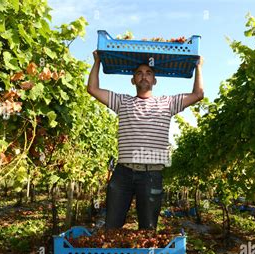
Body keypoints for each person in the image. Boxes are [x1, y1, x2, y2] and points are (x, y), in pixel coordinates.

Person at [87, 50, 204, 230]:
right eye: (139, 73)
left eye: (148, 73)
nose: (144, 76)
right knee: (112, 225)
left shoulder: (167, 103)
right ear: (133, 80)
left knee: (148, 228)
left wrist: (199, 67)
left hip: (151, 175)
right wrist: (97, 61)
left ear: (154, 81)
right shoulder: (122, 101)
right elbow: (92, 89)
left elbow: (198, 94)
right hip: (123, 173)